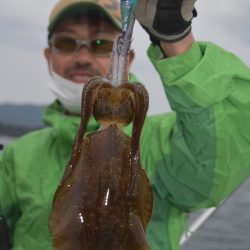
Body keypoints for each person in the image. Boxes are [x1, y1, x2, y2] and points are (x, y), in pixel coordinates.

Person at [1, 0, 250, 249]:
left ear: (129, 59)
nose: (83, 56)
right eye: (67, 43)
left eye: (100, 44)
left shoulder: (164, 142)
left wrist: (176, 41)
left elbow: (233, 141)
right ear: (49, 54)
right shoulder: (16, 158)